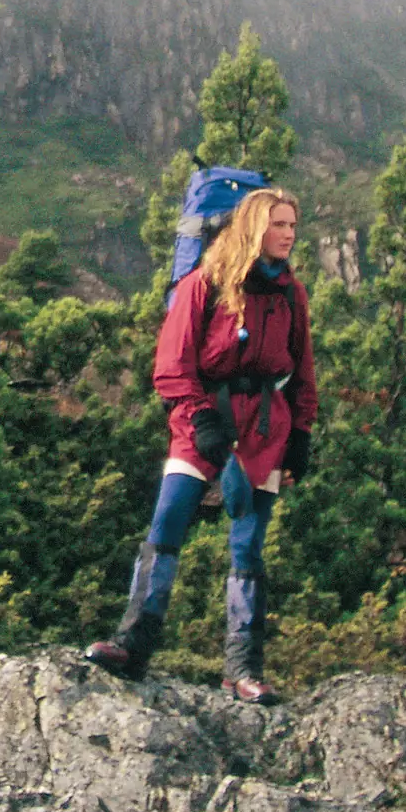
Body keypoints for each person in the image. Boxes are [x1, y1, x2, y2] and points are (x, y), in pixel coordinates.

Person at [87, 185, 317, 701]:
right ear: (254, 228)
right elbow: (171, 367)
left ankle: (243, 670)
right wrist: (202, 422)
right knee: (168, 522)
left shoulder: (291, 294)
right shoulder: (203, 284)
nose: (288, 235)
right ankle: (133, 643)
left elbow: (302, 372)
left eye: (293, 226)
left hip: (265, 429)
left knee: (248, 546)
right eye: (279, 224)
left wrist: (301, 432)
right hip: (202, 422)